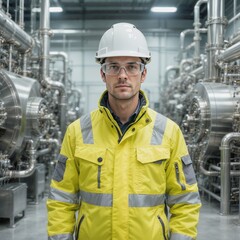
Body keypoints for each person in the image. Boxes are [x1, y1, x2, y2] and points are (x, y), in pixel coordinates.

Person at [47, 22, 201, 240]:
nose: (122, 75)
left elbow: (185, 200)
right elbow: (61, 199)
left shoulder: (168, 132)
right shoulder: (77, 132)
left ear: (143, 74)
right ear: (103, 74)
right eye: (113, 67)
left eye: (131, 66)